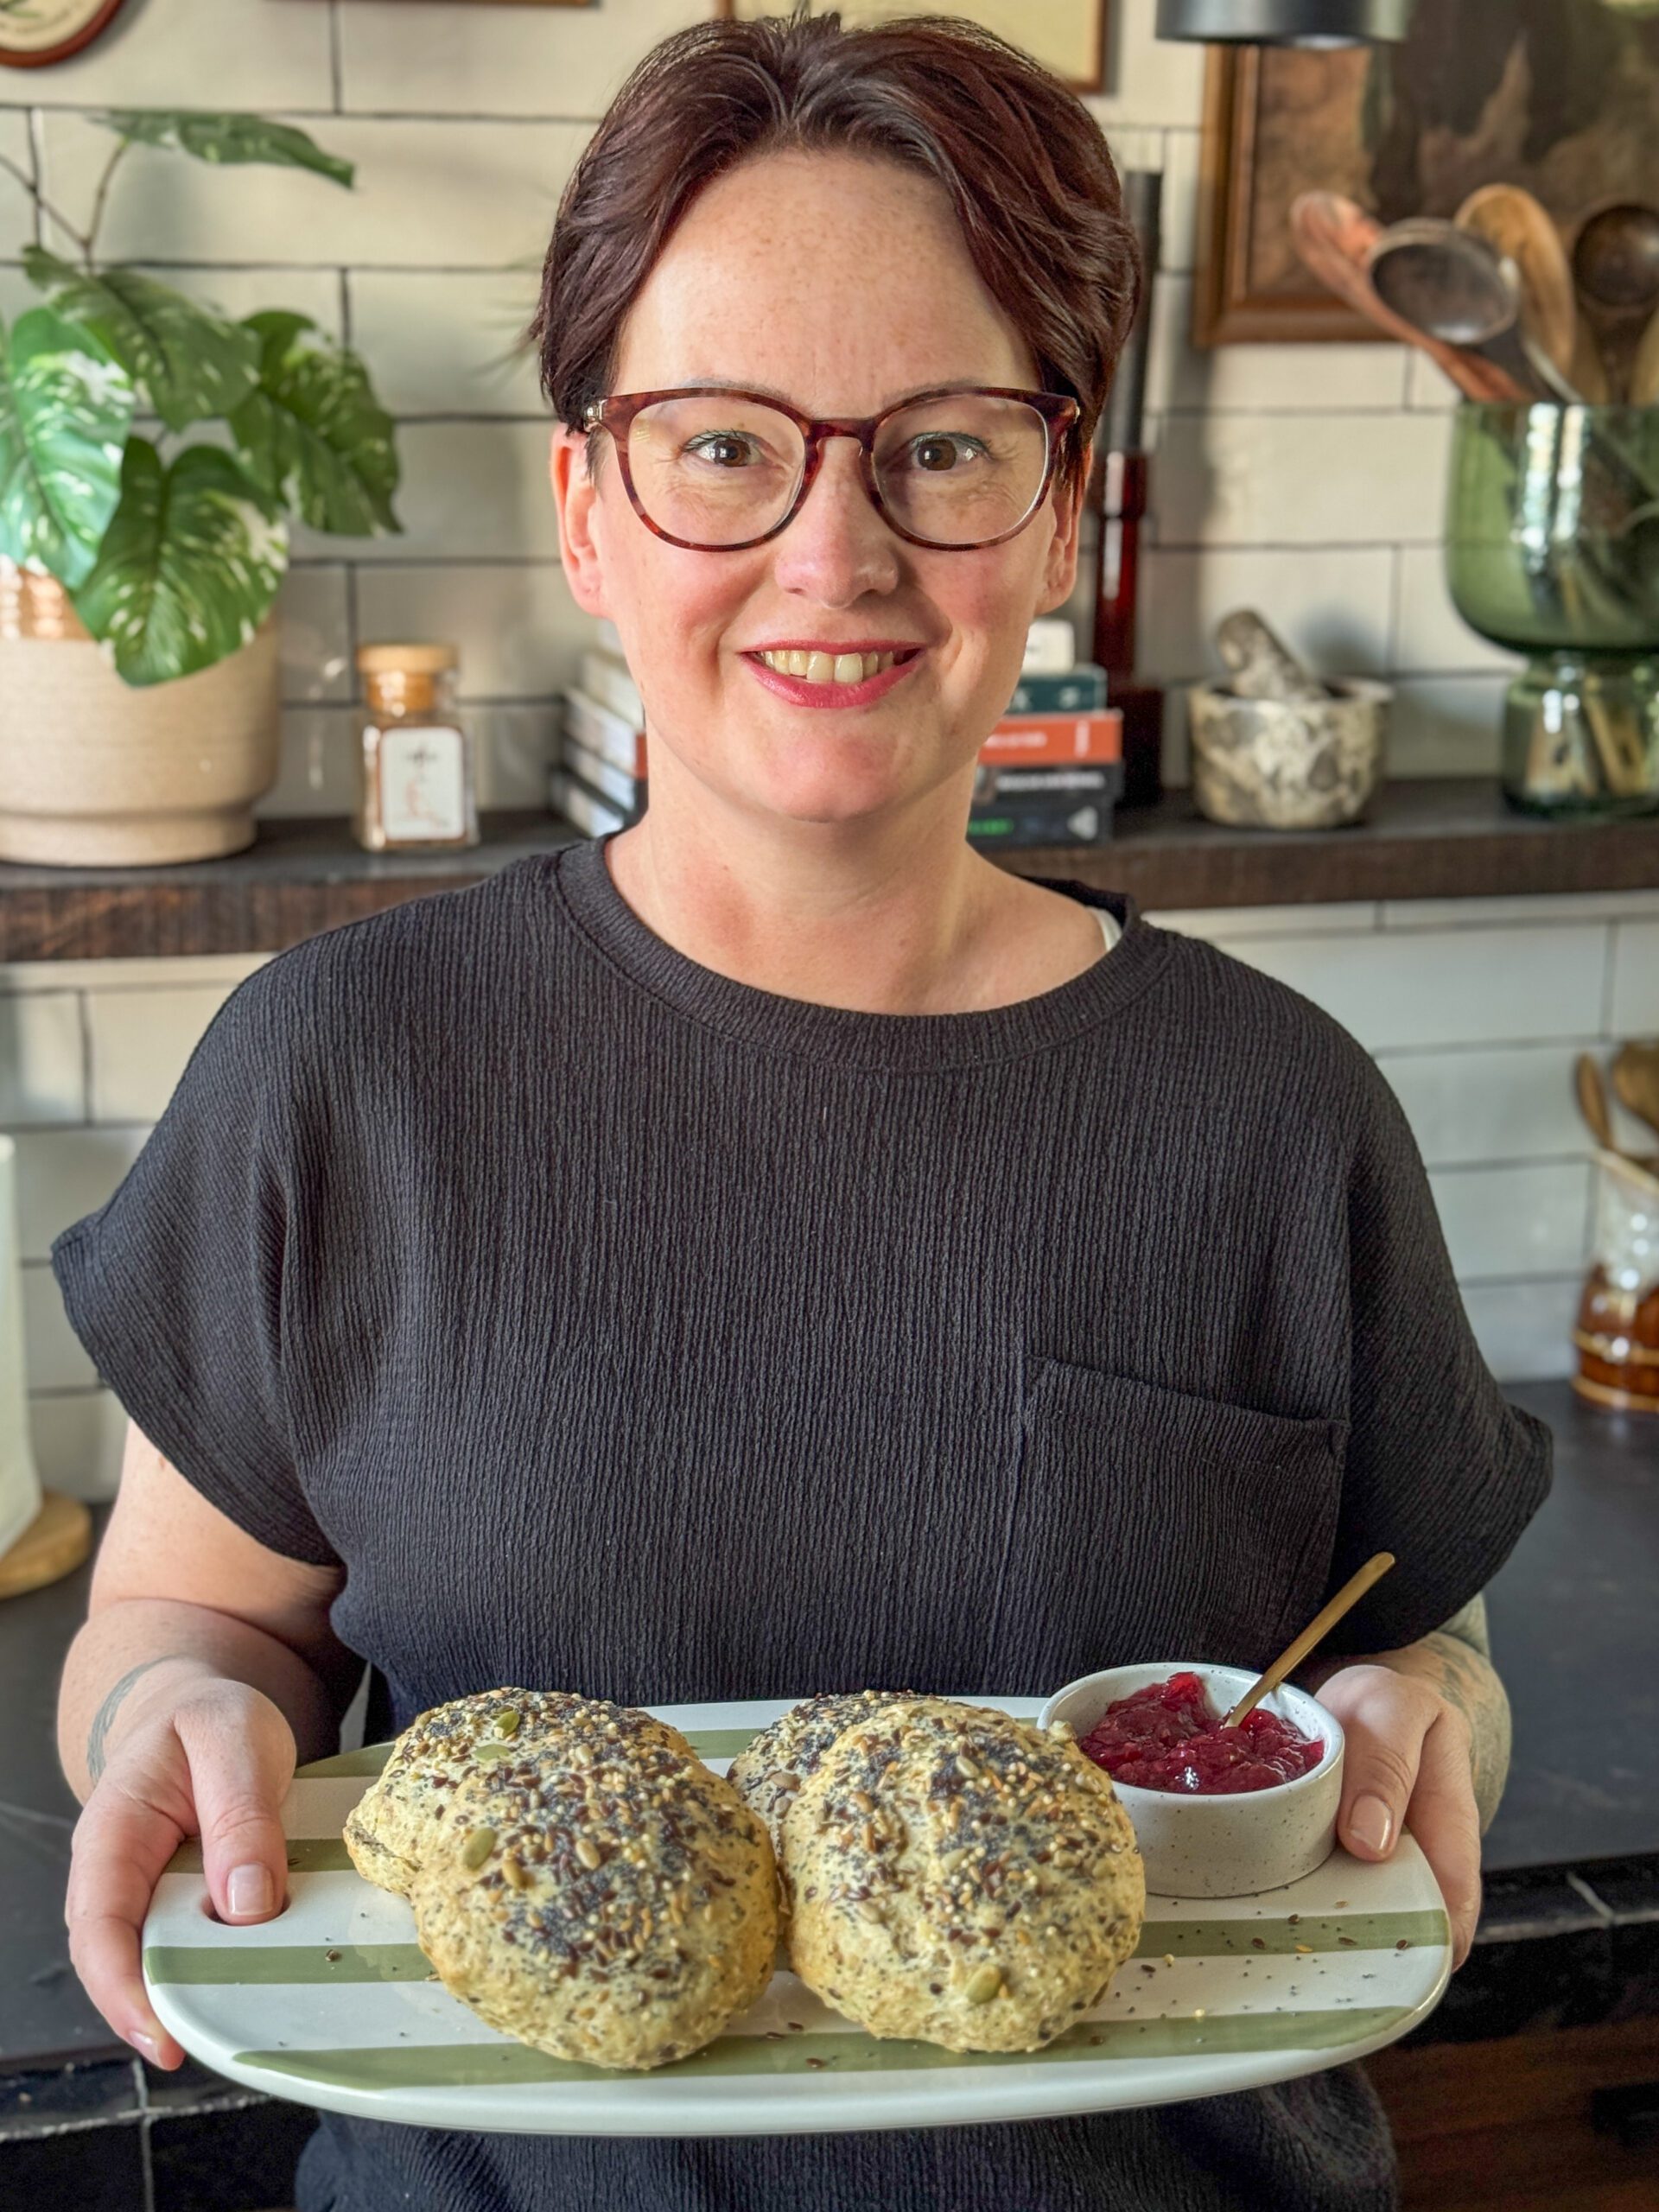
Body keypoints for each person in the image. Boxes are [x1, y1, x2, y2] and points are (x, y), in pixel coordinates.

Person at [51, 10, 1551, 2209]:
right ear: (588, 503)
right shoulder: (336, 1076)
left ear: (1057, 518)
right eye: (725, 445)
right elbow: (182, 1626)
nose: (835, 550)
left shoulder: (1268, 1109)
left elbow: (1426, 1637)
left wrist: (1433, 1726)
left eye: (942, 447)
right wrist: (162, 1727)